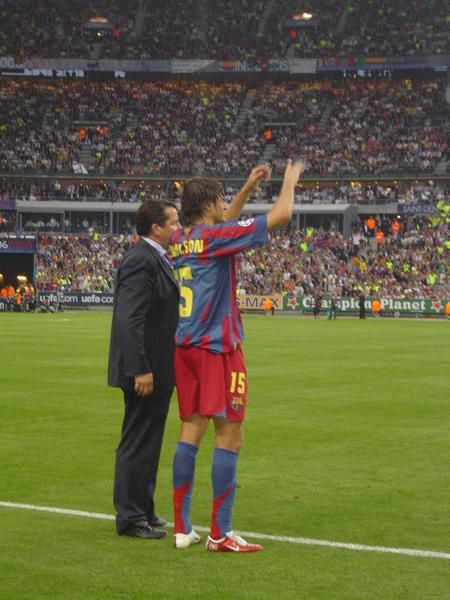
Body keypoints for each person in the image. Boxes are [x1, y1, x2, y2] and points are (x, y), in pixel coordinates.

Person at [169, 159, 305, 552]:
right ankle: (220, 533)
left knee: (190, 431)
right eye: (222, 198)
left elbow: (224, 219)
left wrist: (246, 187)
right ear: (210, 202)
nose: (226, 203)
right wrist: (288, 182)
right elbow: (281, 214)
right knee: (231, 436)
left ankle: (182, 528)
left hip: (186, 348)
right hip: (217, 348)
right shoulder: (215, 238)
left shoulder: (181, 238)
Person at [108, 200, 180, 539]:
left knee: (149, 441)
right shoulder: (141, 259)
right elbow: (130, 317)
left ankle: (144, 509)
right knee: (138, 441)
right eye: (174, 222)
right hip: (145, 369)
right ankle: (130, 517)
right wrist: (140, 368)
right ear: (156, 227)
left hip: (156, 366)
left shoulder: (153, 258)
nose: (178, 228)